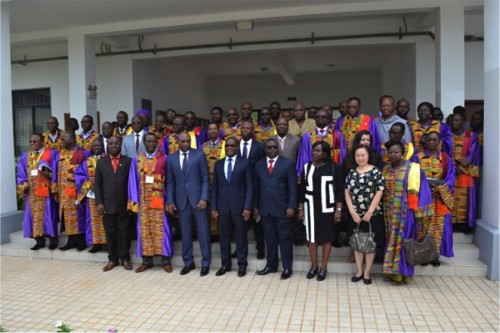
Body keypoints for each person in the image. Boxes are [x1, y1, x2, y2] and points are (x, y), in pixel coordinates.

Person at [382, 141, 433, 284]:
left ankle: (405, 273)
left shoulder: (413, 169)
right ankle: (392, 272)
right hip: (389, 213)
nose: (392, 155)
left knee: (405, 241)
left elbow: (423, 191)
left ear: (403, 153)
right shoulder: (386, 169)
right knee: (391, 240)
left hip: (406, 213)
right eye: (390, 152)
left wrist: (420, 214)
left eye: (396, 152)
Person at [297, 141, 344, 281]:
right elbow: (302, 189)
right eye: (313, 150)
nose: (314, 153)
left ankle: (324, 267)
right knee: (312, 238)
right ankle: (314, 266)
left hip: (328, 209)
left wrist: (339, 209)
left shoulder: (333, 168)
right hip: (310, 207)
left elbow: (340, 190)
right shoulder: (307, 168)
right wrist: (300, 208)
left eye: (318, 151)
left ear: (325, 153)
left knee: (326, 238)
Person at [167, 132, 211, 276]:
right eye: (183, 141)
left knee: (203, 232)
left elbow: (205, 178)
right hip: (182, 201)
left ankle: (205, 263)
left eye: (188, 141)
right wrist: (170, 200)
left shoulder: (199, 155)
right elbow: (170, 181)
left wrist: (204, 198)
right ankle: (188, 262)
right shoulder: (171, 159)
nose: (186, 144)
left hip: (198, 201)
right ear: (177, 141)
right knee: (185, 233)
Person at [128, 133, 174, 273]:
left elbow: (170, 181)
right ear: (144, 142)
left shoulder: (164, 158)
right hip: (143, 201)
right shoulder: (137, 159)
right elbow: (132, 182)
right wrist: (134, 201)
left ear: (157, 143)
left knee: (163, 229)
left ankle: (165, 260)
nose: (151, 144)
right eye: (148, 141)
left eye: (154, 141)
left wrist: (169, 200)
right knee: (144, 230)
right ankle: (146, 260)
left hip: (160, 200)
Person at [254, 138, 297, 280]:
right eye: (269, 148)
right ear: (265, 150)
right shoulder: (258, 165)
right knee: (269, 239)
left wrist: (291, 206)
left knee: (284, 239)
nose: (272, 150)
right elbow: (257, 188)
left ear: (278, 148)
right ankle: (271, 265)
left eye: (274, 147)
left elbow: (293, 188)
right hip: (265, 209)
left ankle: (287, 267)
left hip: (283, 209)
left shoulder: (288, 164)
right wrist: (255, 207)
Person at [211, 137, 253, 277]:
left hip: (240, 208)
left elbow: (249, 187)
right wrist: (214, 207)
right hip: (222, 208)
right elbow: (215, 188)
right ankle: (225, 265)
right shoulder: (218, 164)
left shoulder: (245, 163)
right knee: (224, 237)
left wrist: (247, 208)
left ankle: (242, 265)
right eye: (227, 145)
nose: (229, 148)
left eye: (232, 145)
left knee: (241, 237)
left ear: (237, 147)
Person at [412, 131, 455, 266]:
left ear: (439, 141)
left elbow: (450, 178)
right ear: (425, 141)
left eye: (434, 140)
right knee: (422, 225)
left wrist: (440, 188)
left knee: (436, 228)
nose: (431, 142)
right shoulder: (417, 157)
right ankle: (422, 254)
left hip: (438, 199)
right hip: (422, 198)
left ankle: (434, 255)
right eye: (429, 139)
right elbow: (412, 176)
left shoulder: (446, 159)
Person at [345, 145, 385, 285]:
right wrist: (352, 212)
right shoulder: (351, 172)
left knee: (370, 243)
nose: (360, 158)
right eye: (357, 155)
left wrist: (369, 212)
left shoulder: (376, 171)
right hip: (355, 214)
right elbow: (347, 193)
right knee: (357, 243)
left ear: (368, 156)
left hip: (372, 214)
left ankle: (367, 272)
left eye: (363, 155)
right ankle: (359, 271)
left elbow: (379, 192)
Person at [94, 136, 133, 272]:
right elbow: (97, 184)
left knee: (124, 232)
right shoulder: (101, 162)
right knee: (110, 233)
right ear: (107, 145)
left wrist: (131, 201)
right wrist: (99, 202)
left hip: (124, 204)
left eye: (116, 143)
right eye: (111, 143)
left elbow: (131, 184)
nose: (113, 145)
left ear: (120, 145)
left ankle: (125, 259)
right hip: (107, 204)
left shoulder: (128, 161)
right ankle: (112, 259)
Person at [16, 133, 59, 250]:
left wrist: (49, 175)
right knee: (34, 216)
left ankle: (53, 240)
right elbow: (21, 173)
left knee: (49, 214)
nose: (32, 144)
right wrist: (23, 186)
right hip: (32, 192)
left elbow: (56, 171)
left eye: (35, 141)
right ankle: (39, 240)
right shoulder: (25, 156)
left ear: (42, 142)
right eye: (31, 141)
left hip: (45, 190)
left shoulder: (50, 153)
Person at [56, 131, 91, 251]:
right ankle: (71, 241)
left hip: (77, 191)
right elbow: (55, 172)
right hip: (63, 192)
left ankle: (81, 241)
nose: (61, 141)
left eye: (64, 139)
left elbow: (88, 170)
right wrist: (54, 189)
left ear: (71, 140)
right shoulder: (60, 154)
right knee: (67, 217)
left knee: (79, 216)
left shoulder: (82, 153)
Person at [272, 117, 302, 245]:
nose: (282, 126)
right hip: (275, 180)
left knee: (293, 207)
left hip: (292, 178)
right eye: (279, 124)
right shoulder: (270, 140)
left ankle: (296, 236)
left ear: (288, 126)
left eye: (284, 124)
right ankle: (279, 236)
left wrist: (299, 174)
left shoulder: (296, 140)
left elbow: (300, 158)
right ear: (276, 126)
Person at [239, 120, 266, 259]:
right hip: (238, 189)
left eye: (248, 128)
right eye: (243, 128)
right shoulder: (233, 146)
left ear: (253, 131)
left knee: (257, 221)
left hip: (255, 187)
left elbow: (263, 168)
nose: (245, 130)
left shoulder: (260, 147)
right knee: (240, 223)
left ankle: (260, 248)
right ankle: (239, 249)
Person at [450, 113, 480, 232]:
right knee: (451, 196)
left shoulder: (471, 136)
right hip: (451, 171)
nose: (454, 122)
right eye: (453, 120)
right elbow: (445, 153)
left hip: (465, 173)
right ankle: (452, 223)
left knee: (465, 198)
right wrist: (452, 167)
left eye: (457, 120)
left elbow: (473, 154)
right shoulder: (448, 136)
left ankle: (463, 224)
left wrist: (460, 167)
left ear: (463, 122)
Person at [75, 139, 106, 253]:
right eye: (94, 146)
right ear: (91, 148)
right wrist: (89, 185)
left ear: (103, 147)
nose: (97, 147)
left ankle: (106, 243)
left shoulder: (107, 159)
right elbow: (79, 175)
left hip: (105, 194)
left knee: (105, 218)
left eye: (99, 145)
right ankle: (95, 244)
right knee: (92, 219)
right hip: (92, 195)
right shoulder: (86, 162)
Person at [296, 108, 346, 177]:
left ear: (329, 119)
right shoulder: (307, 136)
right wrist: (302, 175)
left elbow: (342, 156)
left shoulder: (337, 135)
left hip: (332, 172)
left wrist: (341, 173)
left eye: (323, 117)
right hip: (313, 173)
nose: (320, 118)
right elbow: (304, 157)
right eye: (318, 117)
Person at [202, 122, 226, 242]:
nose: (212, 131)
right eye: (210, 129)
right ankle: (211, 234)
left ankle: (221, 233)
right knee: (209, 208)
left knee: (220, 208)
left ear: (219, 130)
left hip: (222, 183)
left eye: (214, 129)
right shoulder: (203, 146)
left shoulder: (225, 145)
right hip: (207, 183)